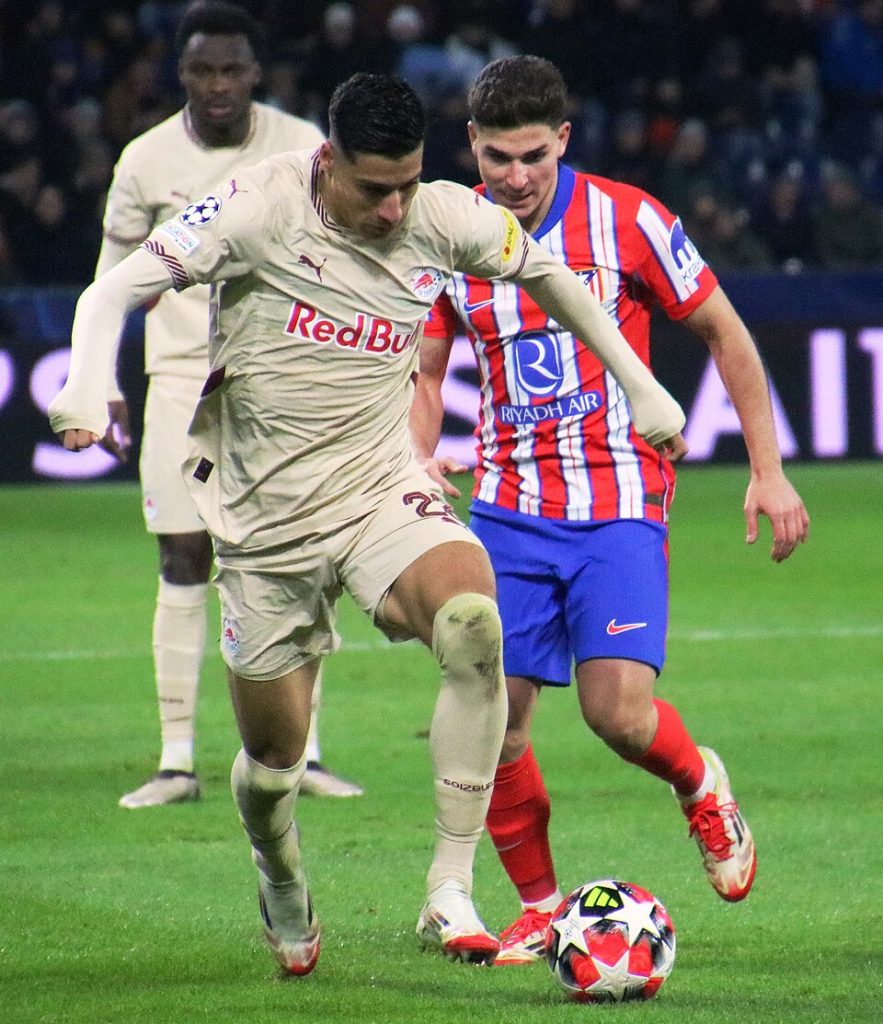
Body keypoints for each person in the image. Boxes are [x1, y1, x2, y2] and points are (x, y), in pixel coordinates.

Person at [48, 72, 687, 975]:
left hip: (379, 486)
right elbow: (109, 292)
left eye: (407, 185)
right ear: (327, 162)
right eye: (373, 188)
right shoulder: (254, 207)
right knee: (273, 763)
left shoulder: (442, 213)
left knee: (473, 623)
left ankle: (449, 889)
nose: (393, 209)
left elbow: (548, 272)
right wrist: (86, 382)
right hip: (265, 518)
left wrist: (638, 382)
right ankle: (279, 873)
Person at [412, 55, 810, 966]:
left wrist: (768, 470)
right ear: (470, 144)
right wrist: (413, 457)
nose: (515, 177)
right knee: (493, 721)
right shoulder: (445, 234)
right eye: (497, 157)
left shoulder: (627, 219)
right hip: (505, 507)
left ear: (563, 139)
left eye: (533, 157)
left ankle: (698, 781)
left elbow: (723, 330)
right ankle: (541, 909)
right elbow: (425, 372)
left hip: (619, 498)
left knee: (618, 715)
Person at [94, 1, 361, 807]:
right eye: (203, 70)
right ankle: (177, 762)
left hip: (280, 381)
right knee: (183, 555)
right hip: (180, 377)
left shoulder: (302, 148)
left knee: (298, 561)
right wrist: (101, 379)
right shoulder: (145, 161)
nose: (217, 85)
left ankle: (304, 754)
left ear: (254, 73)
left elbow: (341, 257)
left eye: (231, 69)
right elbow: (112, 279)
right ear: (181, 73)